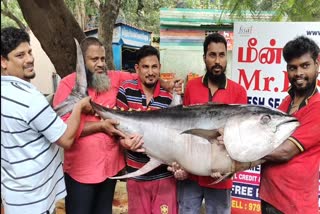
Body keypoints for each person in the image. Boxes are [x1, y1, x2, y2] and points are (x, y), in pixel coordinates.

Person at [53, 37, 182, 214]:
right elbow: (61, 132)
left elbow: (143, 75)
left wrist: (166, 84)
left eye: (103, 59)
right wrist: (100, 127)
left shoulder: (112, 78)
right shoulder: (67, 85)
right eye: (94, 59)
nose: (100, 64)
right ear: (82, 62)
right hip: (81, 172)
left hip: (109, 171)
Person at [1, 27, 92, 214]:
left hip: (13, 194)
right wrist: (79, 106)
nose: (29, 59)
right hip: (35, 200)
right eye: (20, 55)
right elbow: (66, 139)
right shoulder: (29, 98)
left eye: (29, 52)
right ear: (3, 61)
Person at [171, 33, 247, 214]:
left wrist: (230, 168)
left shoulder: (238, 92)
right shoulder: (192, 86)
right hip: (191, 174)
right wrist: (181, 163)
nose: (217, 61)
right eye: (212, 55)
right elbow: (185, 129)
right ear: (204, 57)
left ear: (226, 58)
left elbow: (240, 136)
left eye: (221, 55)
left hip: (220, 176)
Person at [259, 36, 320, 213]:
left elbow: (284, 152)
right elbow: (268, 139)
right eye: (293, 68)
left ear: (317, 64)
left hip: (294, 207)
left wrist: (238, 152)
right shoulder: (287, 102)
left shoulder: (317, 108)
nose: (298, 73)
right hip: (270, 197)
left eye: (305, 65)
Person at [116, 45, 178, 214]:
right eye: (145, 67)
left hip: (164, 177)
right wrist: (125, 143)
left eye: (154, 66)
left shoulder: (169, 97)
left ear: (159, 67)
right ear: (137, 68)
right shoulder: (126, 90)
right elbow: (116, 130)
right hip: (136, 176)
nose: (150, 72)